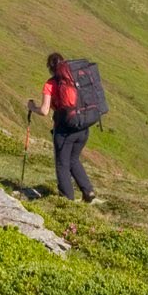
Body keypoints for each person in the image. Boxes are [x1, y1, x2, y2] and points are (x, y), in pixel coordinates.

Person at [28, 52, 98, 203]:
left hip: (65, 129)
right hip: (83, 127)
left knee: (62, 163)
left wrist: (32, 107)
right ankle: (88, 191)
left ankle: (67, 200)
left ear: (50, 67)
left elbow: (44, 111)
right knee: (73, 159)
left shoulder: (50, 84)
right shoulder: (76, 78)